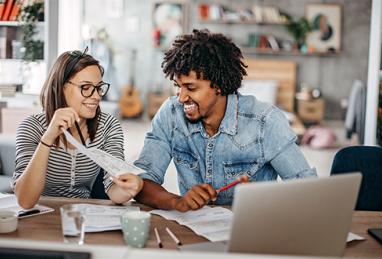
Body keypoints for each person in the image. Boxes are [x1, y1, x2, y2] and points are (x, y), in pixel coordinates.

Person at [134, 29, 316, 212]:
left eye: (191, 88)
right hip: (195, 230)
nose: (181, 98)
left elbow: (308, 191)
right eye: (178, 87)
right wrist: (177, 202)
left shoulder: (265, 122)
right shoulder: (171, 114)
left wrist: (266, 201)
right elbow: (141, 181)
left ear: (219, 85)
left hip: (251, 228)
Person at [13, 49, 143, 209]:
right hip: (40, 215)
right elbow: (25, 201)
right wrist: (48, 138)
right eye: (86, 87)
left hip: (84, 216)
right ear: (60, 87)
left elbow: (114, 189)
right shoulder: (32, 127)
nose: (96, 96)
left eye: (99, 87)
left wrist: (128, 189)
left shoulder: (108, 126)